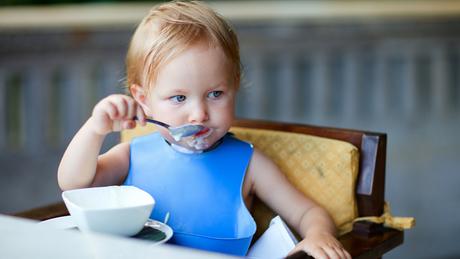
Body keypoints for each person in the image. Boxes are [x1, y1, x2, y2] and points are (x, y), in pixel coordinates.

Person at [57, 1, 351, 258]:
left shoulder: (250, 164)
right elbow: (75, 185)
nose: (199, 114)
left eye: (215, 94)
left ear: (234, 87)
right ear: (144, 101)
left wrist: (318, 235)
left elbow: (308, 212)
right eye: (179, 98)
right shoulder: (132, 156)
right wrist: (95, 129)